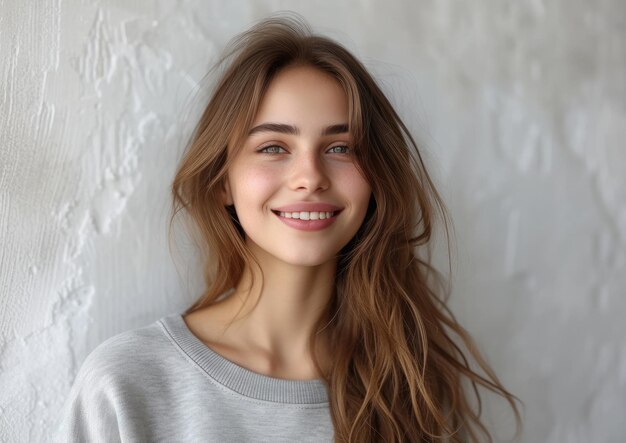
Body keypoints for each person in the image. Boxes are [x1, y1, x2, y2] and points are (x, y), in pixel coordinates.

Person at [56, 13, 522, 443]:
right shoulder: (127, 384)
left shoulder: (408, 384)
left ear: (376, 179)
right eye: (274, 147)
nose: (310, 176)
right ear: (223, 182)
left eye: (340, 147)